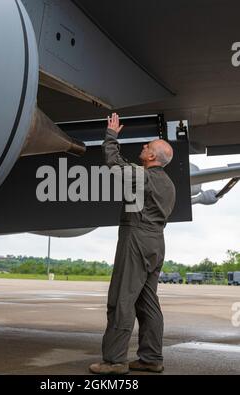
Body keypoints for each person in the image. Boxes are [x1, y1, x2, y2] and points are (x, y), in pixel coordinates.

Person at [89, 113, 176, 375]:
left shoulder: (144, 177)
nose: (143, 148)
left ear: (152, 157)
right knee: (147, 302)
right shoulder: (169, 185)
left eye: (147, 147)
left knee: (121, 299)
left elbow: (114, 163)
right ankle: (151, 358)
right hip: (156, 242)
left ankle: (114, 361)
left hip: (136, 239)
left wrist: (112, 135)